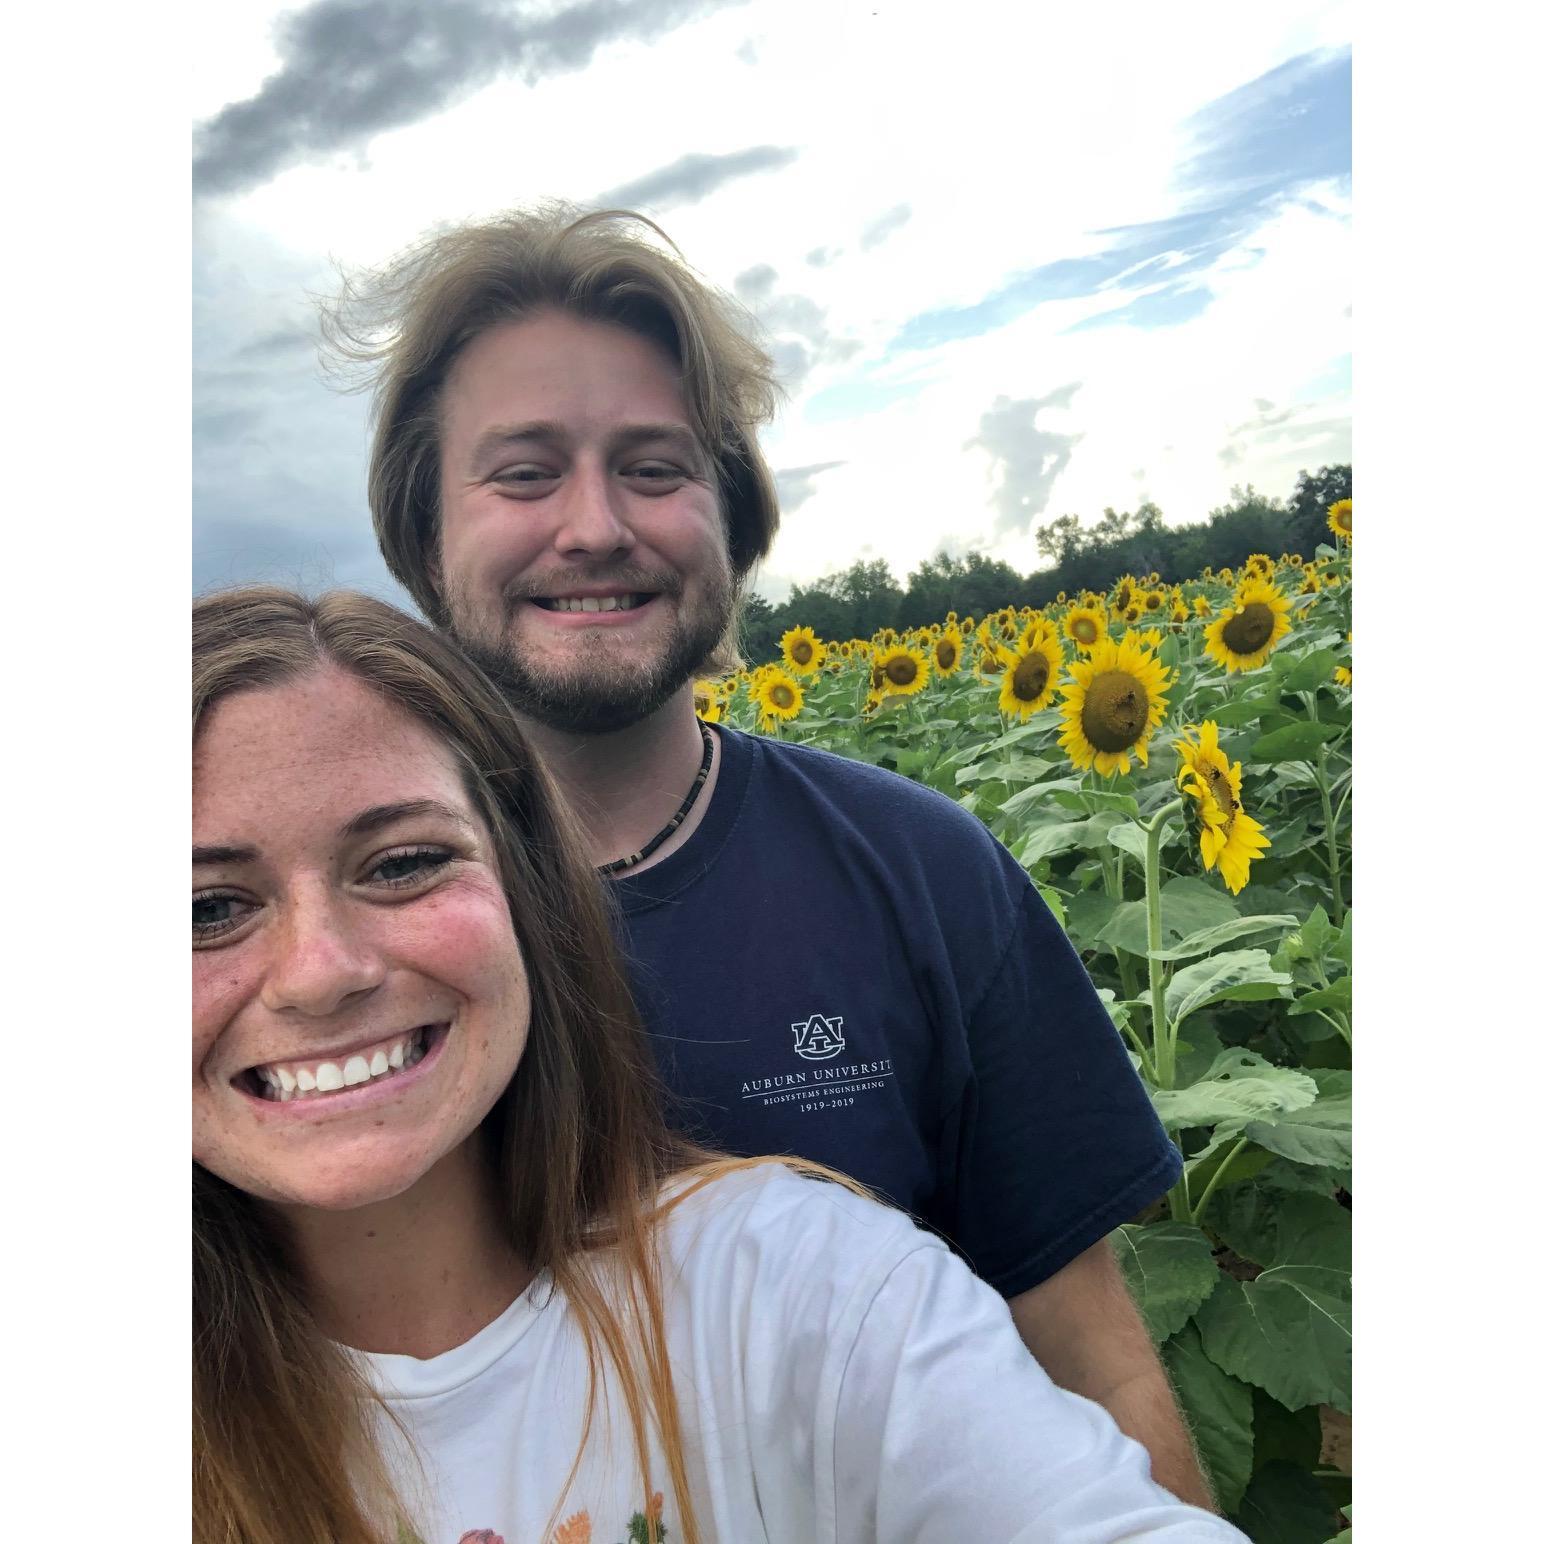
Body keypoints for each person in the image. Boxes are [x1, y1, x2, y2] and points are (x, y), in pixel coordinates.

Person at [322, 203, 1211, 1506]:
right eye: (522, 472)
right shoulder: (328, 941)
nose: (593, 525)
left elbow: (1097, 1369)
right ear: (422, 527)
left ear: (732, 522)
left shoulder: (921, 870)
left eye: (654, 466)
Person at [192, 585, 1246, 1544]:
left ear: (530, 892)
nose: (319, 971)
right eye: (205, 908)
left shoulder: (798, 1297)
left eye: (406, 860)